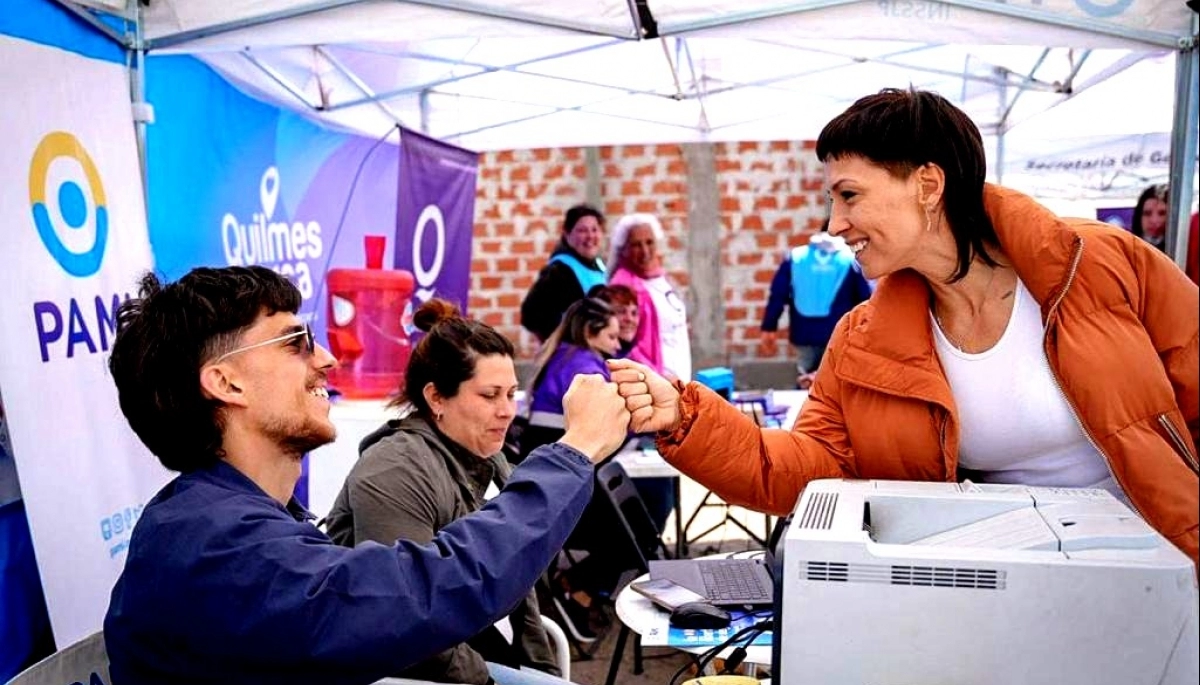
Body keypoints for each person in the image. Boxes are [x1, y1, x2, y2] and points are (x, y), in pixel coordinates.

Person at [609, 88, 1199, 570]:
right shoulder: (862, 338)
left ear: (928, 185)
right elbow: (802, 465)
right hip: (1011, 585)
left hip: (1167, 564)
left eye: (850, 196)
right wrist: (686, 417)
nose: (835, 224)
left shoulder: (1098, 262)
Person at [103, 265, 630, 685]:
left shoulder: (228, 521)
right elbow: (427, 593)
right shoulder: (214, 548)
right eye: (295, 342)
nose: (327, 359)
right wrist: (575, 450)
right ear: (225, 383)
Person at [322, 299, 565, 685]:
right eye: (490, 396)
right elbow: (406, 624)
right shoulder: (395, 471)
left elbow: (521, 589)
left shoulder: (490, 457)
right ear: (436, 398)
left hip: (472, 652)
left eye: (511, 394)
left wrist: (542, 672)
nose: (507, 411)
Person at [761, 227, 874, 389]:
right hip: (838, 335)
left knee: (805, 380)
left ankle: (805, 410)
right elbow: (865, 299)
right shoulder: (850, 259)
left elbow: (778, 294)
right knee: (836, 383)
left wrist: (769, 327)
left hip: (803, 334)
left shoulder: (795, 257)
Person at [519, 298, 622, 462]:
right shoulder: (586, 369)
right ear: (589, 332)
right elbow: (602, 421)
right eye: (612, 336)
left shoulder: (560, 355)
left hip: (539, 445)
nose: (618, 346)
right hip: (560, 449)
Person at [608, 213, 692, 381]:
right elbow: (626, 345)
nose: (645, 251)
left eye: (649, 242)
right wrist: (659, 378)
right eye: (636, 245)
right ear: (624, 249)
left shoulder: (660, 277)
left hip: (679, 379)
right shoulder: (623, 285)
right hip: (655, 382)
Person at [521, 204, 607, 342]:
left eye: (595, 229)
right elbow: (531, 316)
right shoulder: (558, 272)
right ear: (567, 234)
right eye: (582, 230)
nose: (590, 236)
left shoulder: (599, 265)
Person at [589, 283, 640, 359]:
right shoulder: (590, 360)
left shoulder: (635, 356)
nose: (629, 319)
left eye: (634, 313)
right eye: (621, 311)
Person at [1131, 183, 1170, 252]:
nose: (1154, 220)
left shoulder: (1184, 251)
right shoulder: (1127, 249)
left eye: (1162, 213)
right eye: (1147, 213)